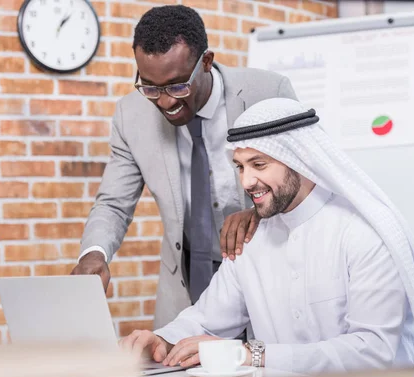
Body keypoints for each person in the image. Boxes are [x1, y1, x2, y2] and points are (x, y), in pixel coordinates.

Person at [120, 98, 414, 375]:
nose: (246, 183)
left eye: (259, 165)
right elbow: (209, 317)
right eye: (240, 167)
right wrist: (163, 339)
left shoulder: (362, 234)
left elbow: (370, 352)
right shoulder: (252, 238)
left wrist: (250, 354)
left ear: (298, 160)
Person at [70, 5, 298, 328]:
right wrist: (94, 252)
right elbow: (113, 203)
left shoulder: (269, 94)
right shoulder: (130, 116)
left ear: (206, 62)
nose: (165, 101)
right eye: (151, 87)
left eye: (178, 86)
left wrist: (259, 212)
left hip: (267, 279)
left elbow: (306, 181)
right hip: (184, 289)